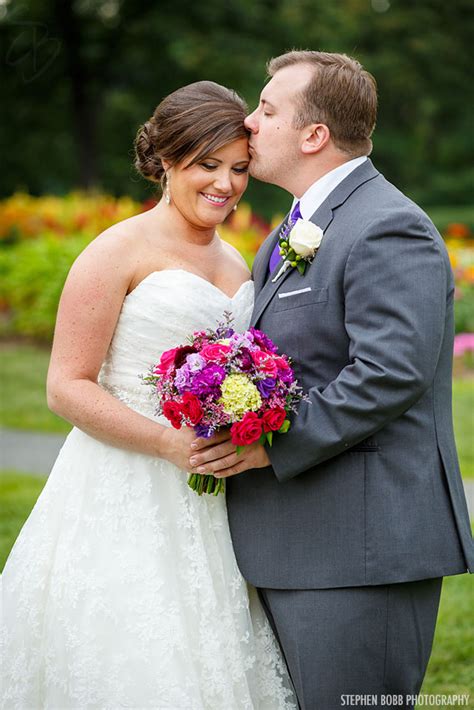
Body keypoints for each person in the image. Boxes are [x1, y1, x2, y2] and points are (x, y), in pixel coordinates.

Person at [188, 52, 474, 709]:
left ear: (314, 135)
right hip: (292, 541)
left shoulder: (388, 226)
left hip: (360, 548)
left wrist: (269, 444)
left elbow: (388, 371)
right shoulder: (291, 233)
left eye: (267, 109)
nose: (248, 122)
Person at [0, 81, 296, 709]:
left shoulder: (241, 264)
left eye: (240, 169)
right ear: (167, 162)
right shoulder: (116, 252)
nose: (226, 184)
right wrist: (166, 441)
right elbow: (65, 385)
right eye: (207, 165)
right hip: (125, 481)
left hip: (215, 493)